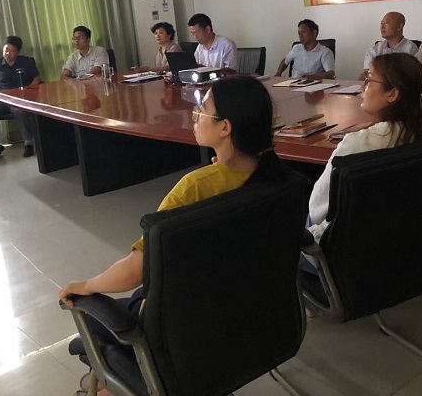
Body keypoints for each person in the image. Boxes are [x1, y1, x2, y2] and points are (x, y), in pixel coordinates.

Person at [59, 76, 298, 388]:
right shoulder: (282, 181)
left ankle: (107, 387)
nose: (195, 116)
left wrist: (85, 285)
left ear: (225, 127)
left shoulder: (195, 187)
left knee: (92, 318)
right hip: (256, 326)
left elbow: (134, 272)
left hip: (183, 344)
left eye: (202, 110)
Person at [307, 53, 422, 243]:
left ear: (392, 94)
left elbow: (317, 210)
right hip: (410, 241)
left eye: (368, 80)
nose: (362, 86)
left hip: (347, 247)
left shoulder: (357, 144)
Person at [0, 36, 40, 160]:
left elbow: (36, 78)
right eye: (6, 50)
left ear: (18, 51)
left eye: (11, 51)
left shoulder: (26, 62)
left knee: (19, 111)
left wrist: (30, 90)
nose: (7, 53)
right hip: (3, 100)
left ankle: (28, 143)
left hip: (20, 99)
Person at [360, 12, 418, 80]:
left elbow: (413, 77)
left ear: (399, 27)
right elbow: (366, 74)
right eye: (381, 23)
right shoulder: (376, 49)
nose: (382, 27)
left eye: (386, 23)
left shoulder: (410, 48)